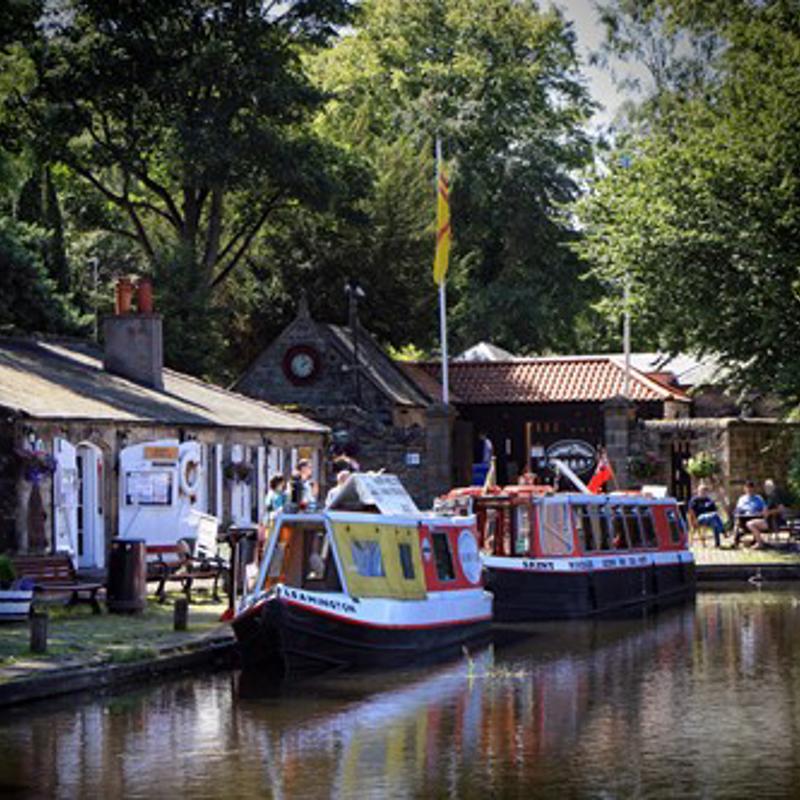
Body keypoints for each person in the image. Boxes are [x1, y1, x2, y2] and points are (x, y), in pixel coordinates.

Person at [745, 478, 788, 546]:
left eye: (768, 487)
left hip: (773, 522)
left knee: (750, 524)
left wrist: (769, 512)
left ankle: (760, 543)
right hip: (768, 520)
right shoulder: (770, 497)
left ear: (772, 487)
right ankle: (760, 541)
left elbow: (781, 509)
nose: (766, 489)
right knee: (750, 523)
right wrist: (764, 512)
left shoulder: (775, 497)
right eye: (765, 487)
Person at [688, 481, 725, 548]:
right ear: (698, 491)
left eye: (705, 491)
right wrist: (693, 520)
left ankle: (717, 543)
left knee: (715, 523)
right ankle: (723, 531)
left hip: (709, 519)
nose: (703, 493)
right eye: (701, 491)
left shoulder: (709, 500)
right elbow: (691, 511)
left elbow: (714, 510)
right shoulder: (694, 500)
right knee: (714, 516)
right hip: (698, 519)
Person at [734, 480, 767, 547]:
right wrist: (740, 512)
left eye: (751, 488)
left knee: (753, 522)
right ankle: (735, 541)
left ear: (754, 489)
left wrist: (760, 512)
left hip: (755, 516)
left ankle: (757, 540)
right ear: (745, 489)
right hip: (744, 517)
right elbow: (738, 509)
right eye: (748, 488)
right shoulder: (742, 499)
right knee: (737, 522)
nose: (749, 489)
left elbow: (764, 508)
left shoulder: (759, 498)